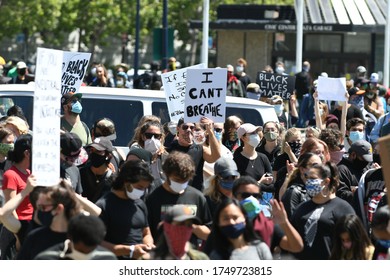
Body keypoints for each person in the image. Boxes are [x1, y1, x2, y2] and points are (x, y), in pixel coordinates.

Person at [146, 151, 212, 249]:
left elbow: (208, 233)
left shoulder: (197, 197)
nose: (181, 183)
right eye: (177, 179)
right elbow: (146, 232)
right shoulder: (153, 198)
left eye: (185, 180)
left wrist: (189, 227)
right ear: (167, 175)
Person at [291, 162, 356, 260]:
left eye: (312, 179)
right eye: (307, 178)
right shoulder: (301, 208)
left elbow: (353, 243)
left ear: (326, 182)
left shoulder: (343, 208)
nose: (308, 181)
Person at [96, 160, 155, 260]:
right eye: (140, 187)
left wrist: (148, 245)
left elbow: (146, 232)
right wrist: (129, 251)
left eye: (145, 188)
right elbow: (96, 242)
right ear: (126, 182)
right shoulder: (103, 206)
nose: (142, 192)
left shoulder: (140, 204)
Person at [16, 179, 83, 259]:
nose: (39, 212)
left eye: (43, 207)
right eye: (38, 207)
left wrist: (69, 191)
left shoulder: (81, 236)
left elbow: (99, 213)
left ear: (59, 208)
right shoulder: (34, 237)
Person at [208, 198, 273, 260]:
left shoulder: (260, 248)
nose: (231, 222)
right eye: (226, 219)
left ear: (244, 218)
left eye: (235, 217)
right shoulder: (216, 256)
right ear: (218, 223)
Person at [167, 118, 221, 192]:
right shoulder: (170, 149)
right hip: (174, 193)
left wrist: (211, 132)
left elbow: (216, 157)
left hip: (195, 193)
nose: (189, 130)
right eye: (185, 127)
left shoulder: (200, 149)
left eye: (192, 128)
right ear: (178, 129)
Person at [35, 214, 117, 260]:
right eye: (81, 251)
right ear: (70, 238)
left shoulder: (107, 258)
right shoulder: (46, 259)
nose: (86, 255)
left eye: (91, 250)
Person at [280, 153, 322, 220]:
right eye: (315, 165)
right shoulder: (293, 192)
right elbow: (290, 221)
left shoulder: (321, 190)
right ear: (302, 169)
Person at [233, 123, 273, 192]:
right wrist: (260, 182)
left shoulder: (263, 157)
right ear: (243, 138)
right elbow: (238, 187)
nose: (256, 135)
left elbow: (271, 186)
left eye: (256, 132)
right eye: (252, 133)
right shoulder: (237, 160)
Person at [130, 120, 168, 186]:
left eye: (156, 136)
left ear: (161, 138)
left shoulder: (167, 159)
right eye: (149, 135)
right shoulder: (135, 157)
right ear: (142, 137)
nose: (152, 139)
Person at [80, 137, 115, 203]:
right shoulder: (81, 173)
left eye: (98, 151)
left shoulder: (113, 179)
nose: (93, 154)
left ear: (108, 156)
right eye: (91, 150)